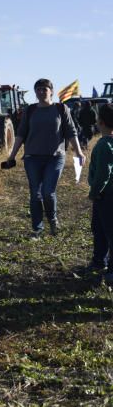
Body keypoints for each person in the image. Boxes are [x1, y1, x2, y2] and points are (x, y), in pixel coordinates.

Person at [2, 78, 86, 238]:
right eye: (38, 89)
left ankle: (53, 220)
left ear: (51, 91)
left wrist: (79, 152)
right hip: (32, 158)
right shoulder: (30, 110)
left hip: (55, 157)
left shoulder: (61, 109)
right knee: (36, 194)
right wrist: (12, 156)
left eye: (44, 89)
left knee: (48, 192)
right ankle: (37, 228)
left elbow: (71, 132)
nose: (41, 92)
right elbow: (21, 134)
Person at [86, 104, 113, 280]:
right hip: (104, 195)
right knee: (99, 229)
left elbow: (104, 173)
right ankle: (98, 261)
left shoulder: (104, 145)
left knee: (109, 231)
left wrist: (94, 192)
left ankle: (110, 269)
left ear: (100, 122)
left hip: (106, 195)